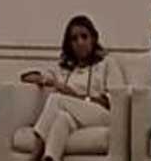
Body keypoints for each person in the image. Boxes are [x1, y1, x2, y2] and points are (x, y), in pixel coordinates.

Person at [21, 15, 124, 161]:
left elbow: (116, 101)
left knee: (57, 100)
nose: (80, 42)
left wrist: (75, 97)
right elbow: (27, 77)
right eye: (74, 39)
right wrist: (44, 80)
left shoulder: (107, 63)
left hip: (102, 115)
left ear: (93, 39)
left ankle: (34, 156)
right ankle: (49, 158)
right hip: (74, 115)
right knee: (62, 119)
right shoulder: (65, 68)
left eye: (84, 37)